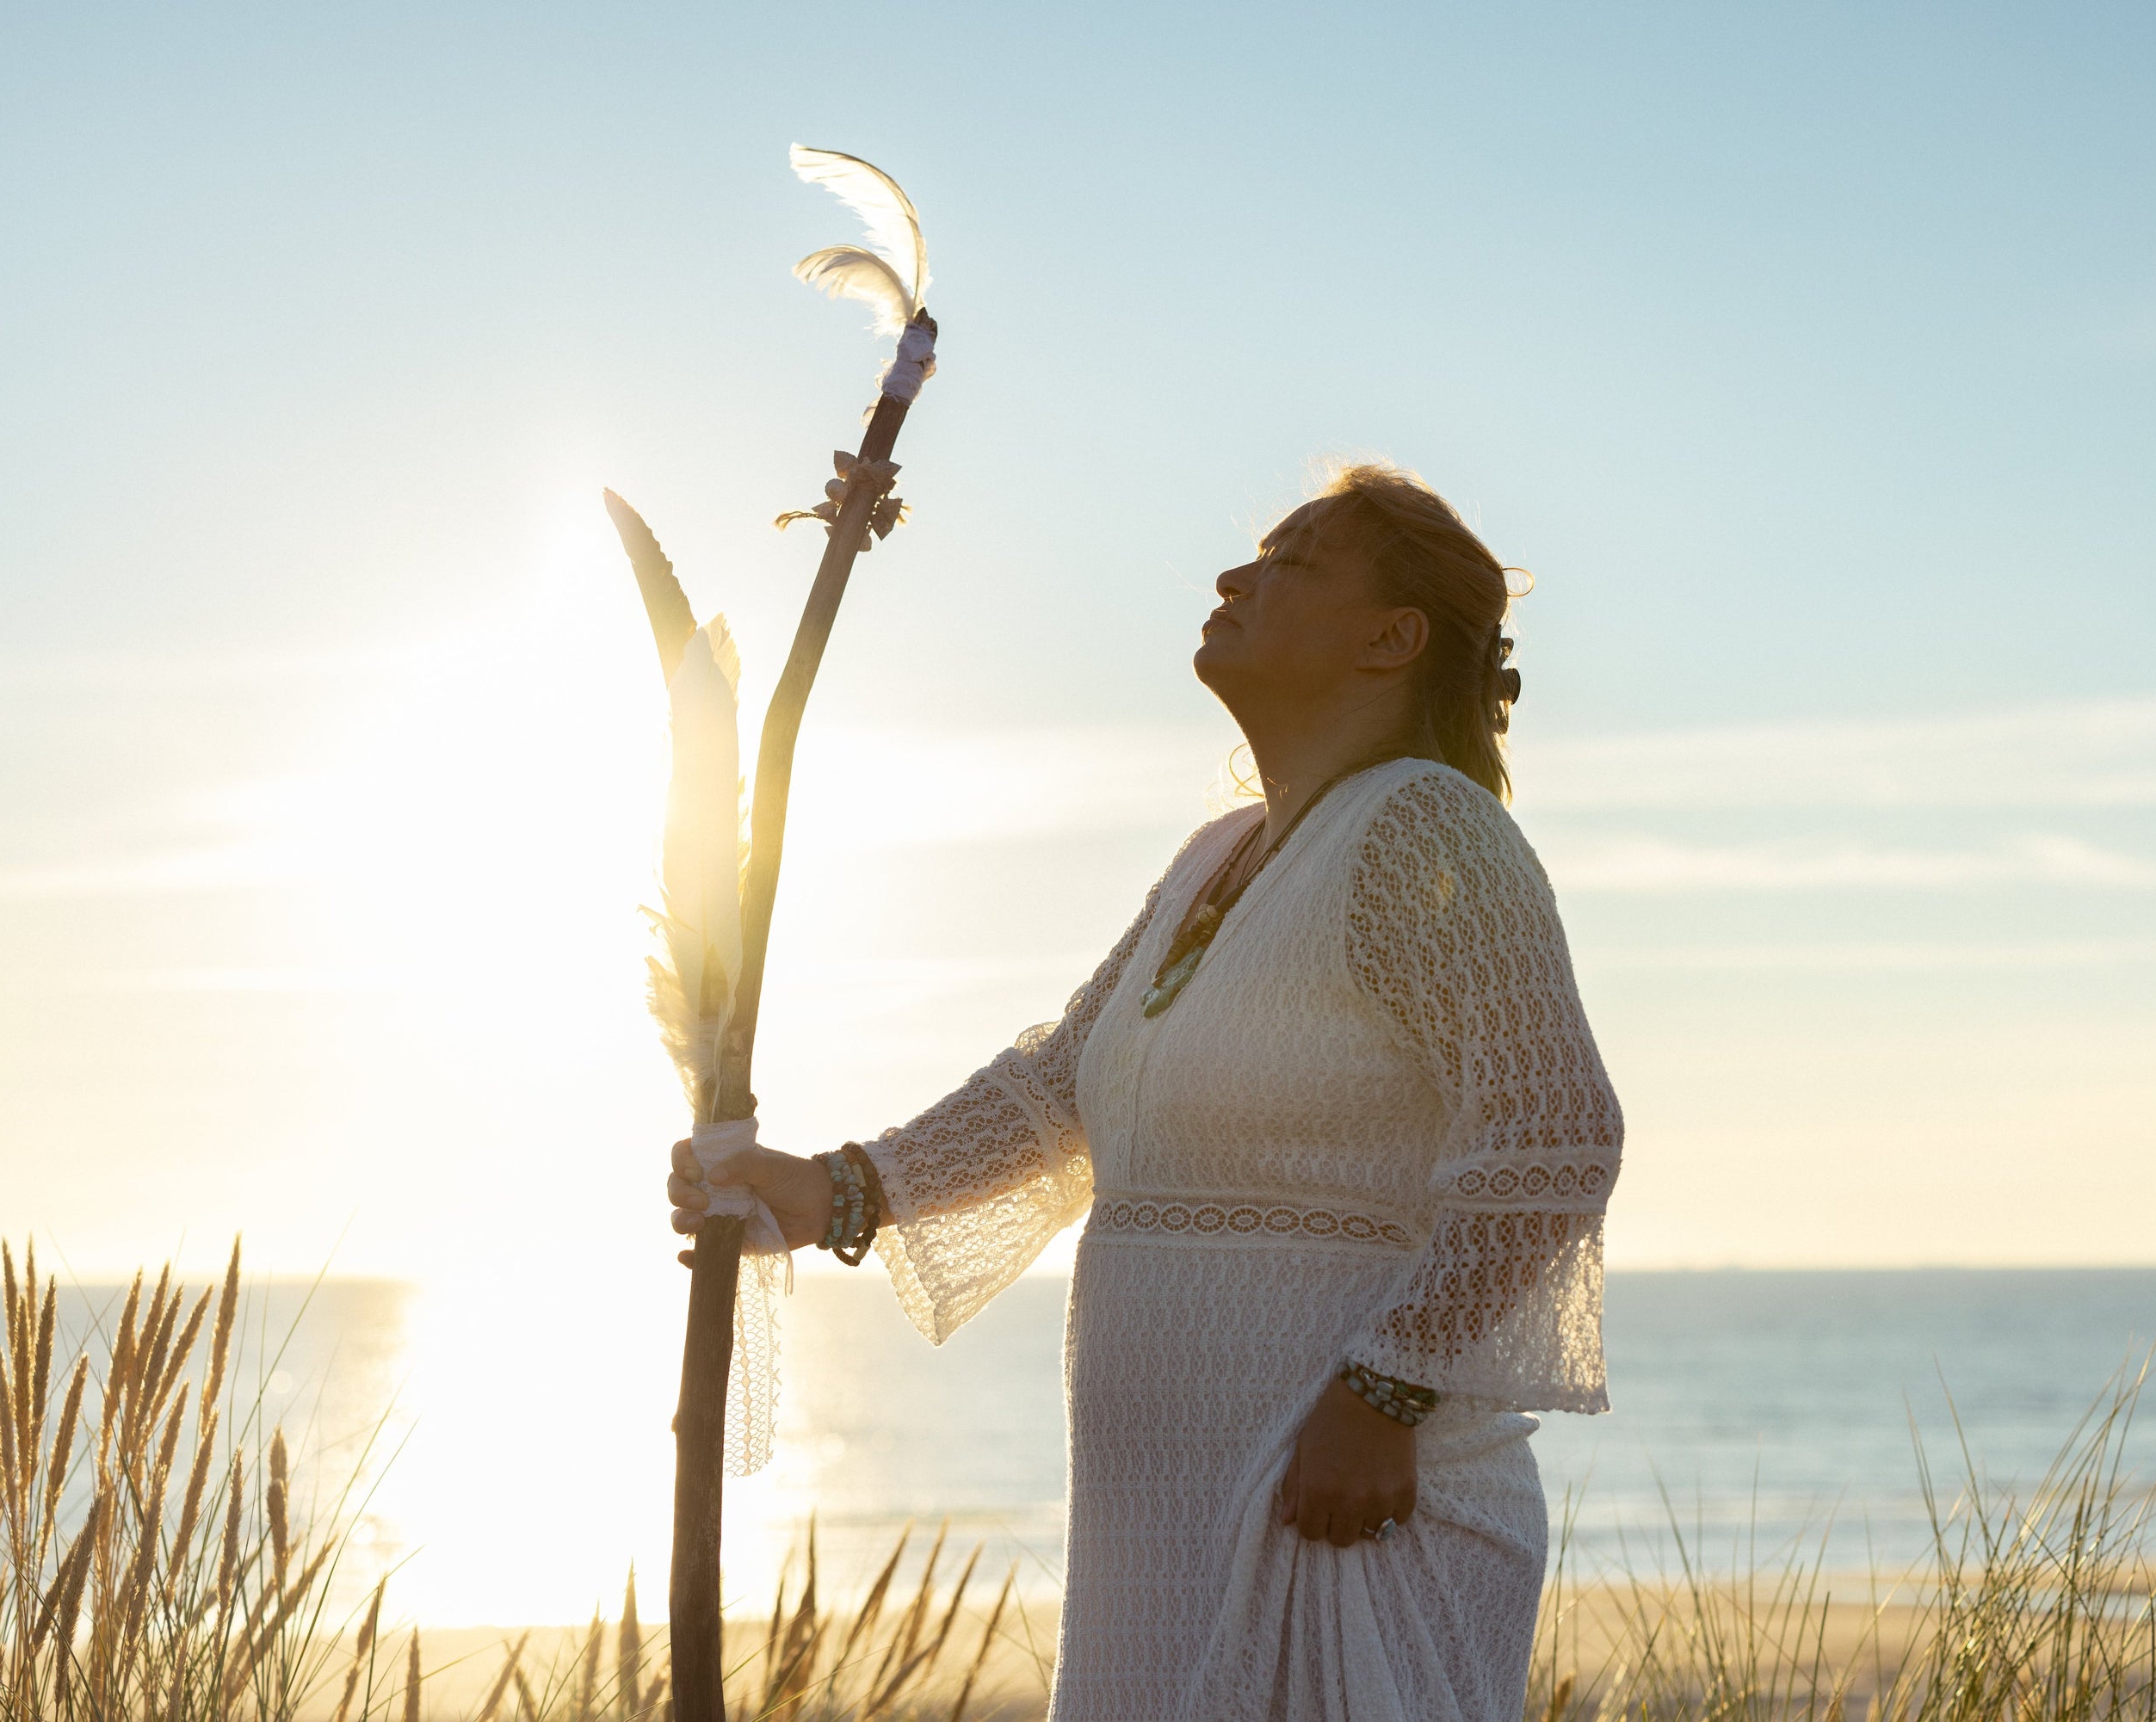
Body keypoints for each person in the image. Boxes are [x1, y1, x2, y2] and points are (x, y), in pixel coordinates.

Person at [673, 463, 1623, 1721]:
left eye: (1292, 562)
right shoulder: (1215, 858)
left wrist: (1384, 1392)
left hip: (1339, 1511)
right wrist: (841, 1189)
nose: (1235, 577)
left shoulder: (1426, 831)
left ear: (1392, 638)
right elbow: (1062, 1081)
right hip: (1158, 1532)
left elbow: (1555, 1134)